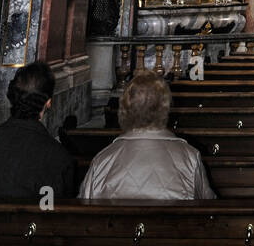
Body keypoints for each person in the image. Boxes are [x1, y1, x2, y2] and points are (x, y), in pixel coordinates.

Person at [78, 70, 215, 201]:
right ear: (165, 109)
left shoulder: (102, 161)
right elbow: (207, 209)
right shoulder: (189, 159)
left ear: (125, 109)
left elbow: (84, 213)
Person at [0, 61, 75, 201]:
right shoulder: (59, 158)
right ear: (48, 102)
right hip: (32, 224)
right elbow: (53, 212)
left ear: (13, 98)